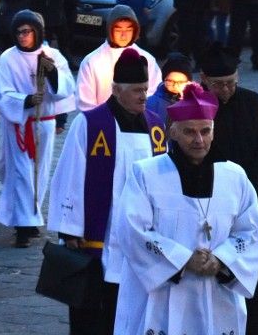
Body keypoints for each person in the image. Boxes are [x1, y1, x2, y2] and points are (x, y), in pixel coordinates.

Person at [114, 84, 258, 334]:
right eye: (189, 132)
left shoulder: (234, 176)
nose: (199, 140)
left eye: (205, 131)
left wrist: (222, 260)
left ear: (214, 132)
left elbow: (252, 232)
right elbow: (132, 231)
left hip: (217, 292)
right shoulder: (147, 174)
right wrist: (183, 260)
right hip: (163, 294)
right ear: (172, 132)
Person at [49, 48, 166, 335]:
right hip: (99, 236)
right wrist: (70, 228)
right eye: (137, 90)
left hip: (139, 235)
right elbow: (71, 175)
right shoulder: (90, 124)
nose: (143, 96)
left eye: (145, 89)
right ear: (115, 90)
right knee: (91, 315)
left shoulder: (156, 127)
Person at [199, 44, 258, 335]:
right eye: (220, 85)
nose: (227, 90)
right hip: (214, 205)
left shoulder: (251, 102)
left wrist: (250, 182)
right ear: (204, 79)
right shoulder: (197, 108)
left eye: (232, 83)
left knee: (255, 281)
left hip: (255, 200)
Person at [0, 10, 75, 247]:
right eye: (18, 32)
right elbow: (1, 92)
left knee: (39, 172)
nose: (22, 36)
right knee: (21, 174)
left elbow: (66, 87)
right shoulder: (8, 59)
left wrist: (51, 73)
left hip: (44, 123)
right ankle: (22, 226)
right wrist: (26, 100)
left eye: (27, 31)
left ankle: (31, 217)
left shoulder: (52, 56)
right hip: (19, 125)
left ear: (37, 32)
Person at [76, 5, 161, 111]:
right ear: (110, 30)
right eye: (118, 29)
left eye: (128, 30)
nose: (124, 35)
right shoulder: (92, 61)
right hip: (103, 122)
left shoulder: (147, 60)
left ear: (135, 31)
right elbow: (85, 102)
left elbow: (153, 95)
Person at [146, 53, 193, 125]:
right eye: (170, 81)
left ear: (189, 81)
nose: (175, 85)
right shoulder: (151, 103)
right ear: (164, 79)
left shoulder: (195, 103)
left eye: (181, 82)